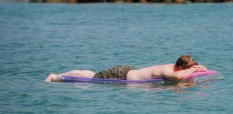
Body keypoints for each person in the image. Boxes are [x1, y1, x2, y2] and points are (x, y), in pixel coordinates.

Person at [45, 54, 207, 82]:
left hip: (128, 72)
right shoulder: (169, 71)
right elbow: (177, 78)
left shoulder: (176, 69)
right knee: (90, 78)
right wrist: (193, 71)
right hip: (121, 75)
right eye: (186, 69)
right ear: (179, 67)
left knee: (92, 75)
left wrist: (199, 68)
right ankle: (56, 76)